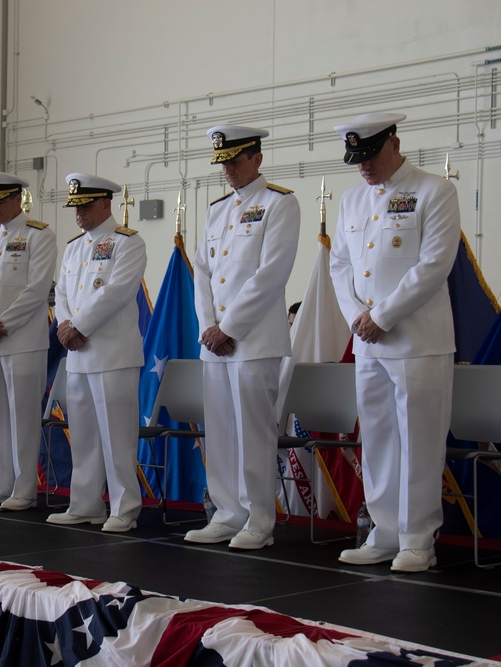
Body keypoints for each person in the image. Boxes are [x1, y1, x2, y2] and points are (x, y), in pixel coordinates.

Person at [328, 112, 461, 572]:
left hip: (417, 342)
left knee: (419, 442)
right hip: (368, 343)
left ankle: (418, 539)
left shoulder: (434, 191)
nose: (362, 167)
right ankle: (383, 532)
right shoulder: (350, 200)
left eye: (369, 156)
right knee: (379, 439)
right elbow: (340, 267)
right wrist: (358, 321)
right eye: (356, 159)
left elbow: (434, 265)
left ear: (394, 144)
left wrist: (382, 316)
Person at [186, 126, 300, 550]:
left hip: (254, 341)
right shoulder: (217, 210)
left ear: (257, 158)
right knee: (220, 432)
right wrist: (208, 327)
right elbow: (203, 273)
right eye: (223, 163)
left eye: (235, 161)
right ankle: (227, 512)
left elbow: (271, 275)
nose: (228, 170)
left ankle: (258, 519)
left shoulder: (280, 204)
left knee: (253, 432)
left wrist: (228, 328)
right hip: (215, 342)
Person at [48, 172, 146, 533]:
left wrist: (78, 326)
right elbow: (62, 295)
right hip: (77, 355)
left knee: (117, 437)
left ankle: (125, 508)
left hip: (112, 355)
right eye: (75, 207)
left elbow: (117, 292)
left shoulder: (128, 243)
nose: (79, 213)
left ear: (106, 203)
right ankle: (85, 503)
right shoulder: (74, 247)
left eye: (85, 206)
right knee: (85, 435)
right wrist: (64, 323)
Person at [0, 171, 57, 511]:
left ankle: (23, 488)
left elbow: (37, 291)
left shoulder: (40, 235)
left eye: (0, 200)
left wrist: (0, 324)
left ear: (17, 199)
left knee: (22, 418)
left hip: (22, 341)